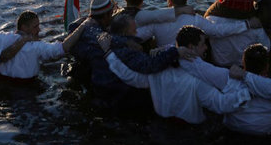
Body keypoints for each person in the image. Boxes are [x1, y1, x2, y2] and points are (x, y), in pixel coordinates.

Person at [99, 26, 251, 124]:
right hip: (190, 132)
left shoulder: (157, 71)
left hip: (162, 125)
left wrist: (108, 53)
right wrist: (242, 90)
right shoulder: (197, 83)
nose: (206, 47)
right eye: (203, 44)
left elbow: (130, 77)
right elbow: (221, 104)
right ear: (191, 47)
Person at [0, 10, 88, 80]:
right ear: (24, 28)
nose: (39, 29)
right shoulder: (36, 47)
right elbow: (63, 48)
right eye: (35, 27)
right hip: (28, 90)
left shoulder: (2, 38)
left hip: (3, 87)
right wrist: (83, 26)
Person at [135, 0, 251, 47]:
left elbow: (138, 36)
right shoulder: (196, 20)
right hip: (189, 63)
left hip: (165, 62)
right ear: (186, 1)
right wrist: (246, 24)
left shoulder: (158, 20)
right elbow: (218, 31)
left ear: (169, 2)